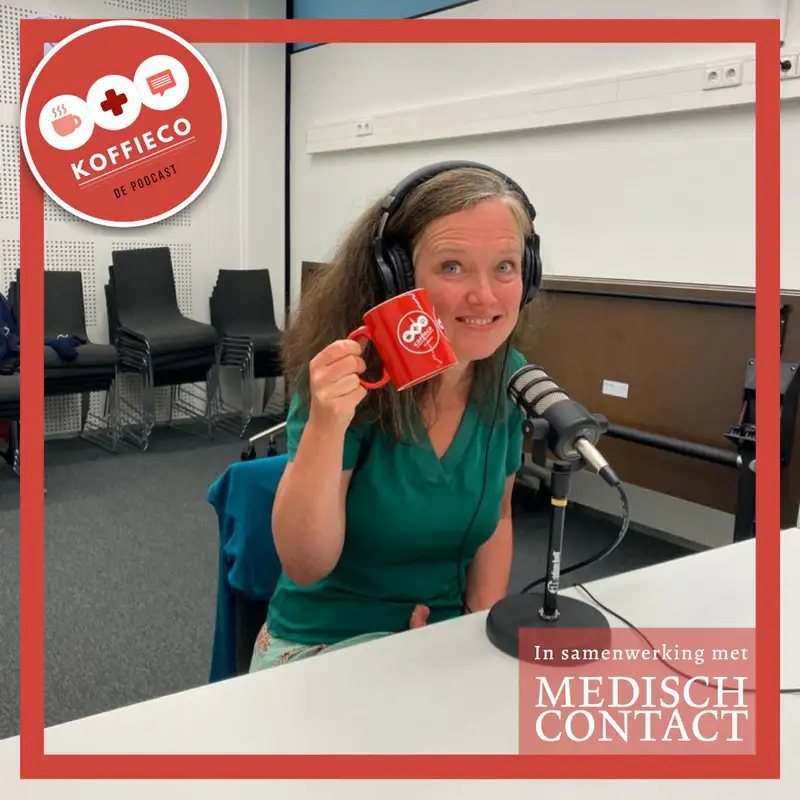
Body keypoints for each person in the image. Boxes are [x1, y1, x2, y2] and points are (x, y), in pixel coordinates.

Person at [249, 161, 544, 671]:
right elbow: (304, 565)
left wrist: (479, 628)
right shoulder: (351, 381)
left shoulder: (508, 378)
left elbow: (497, 516)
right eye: (452, 267)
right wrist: (326, 425)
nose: (485, 295)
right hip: (326, 640)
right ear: (398, 277)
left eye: (505, 266)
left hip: (442, 638)